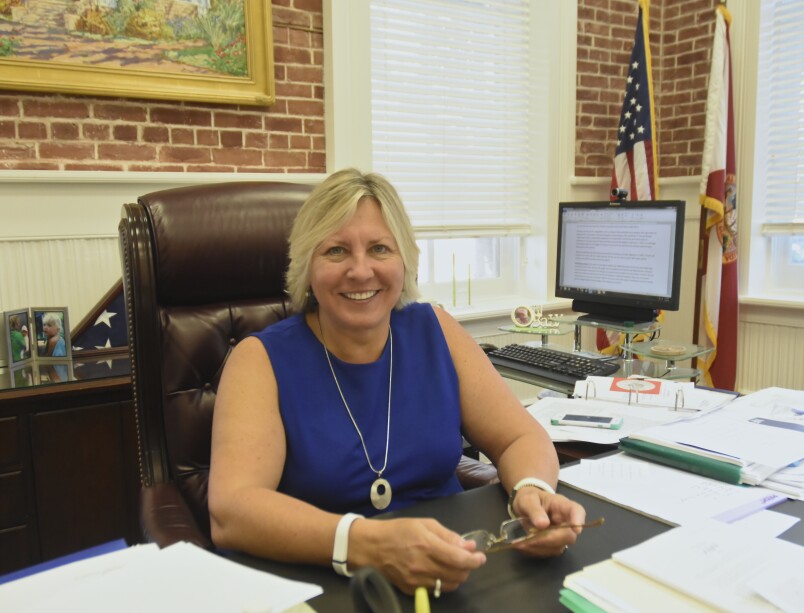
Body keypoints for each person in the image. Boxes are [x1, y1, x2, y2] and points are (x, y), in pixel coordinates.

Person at [208, 168, 587, 596]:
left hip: (453, 570)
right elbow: (232, 510)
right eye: (335, 251)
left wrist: (533, 493)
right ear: (307, 267)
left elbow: (519, 436)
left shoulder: (435, 330)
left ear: (404, 258)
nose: (360, 270)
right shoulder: (260, 359)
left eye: (379, 248)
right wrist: (367, 544)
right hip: (323, 584)